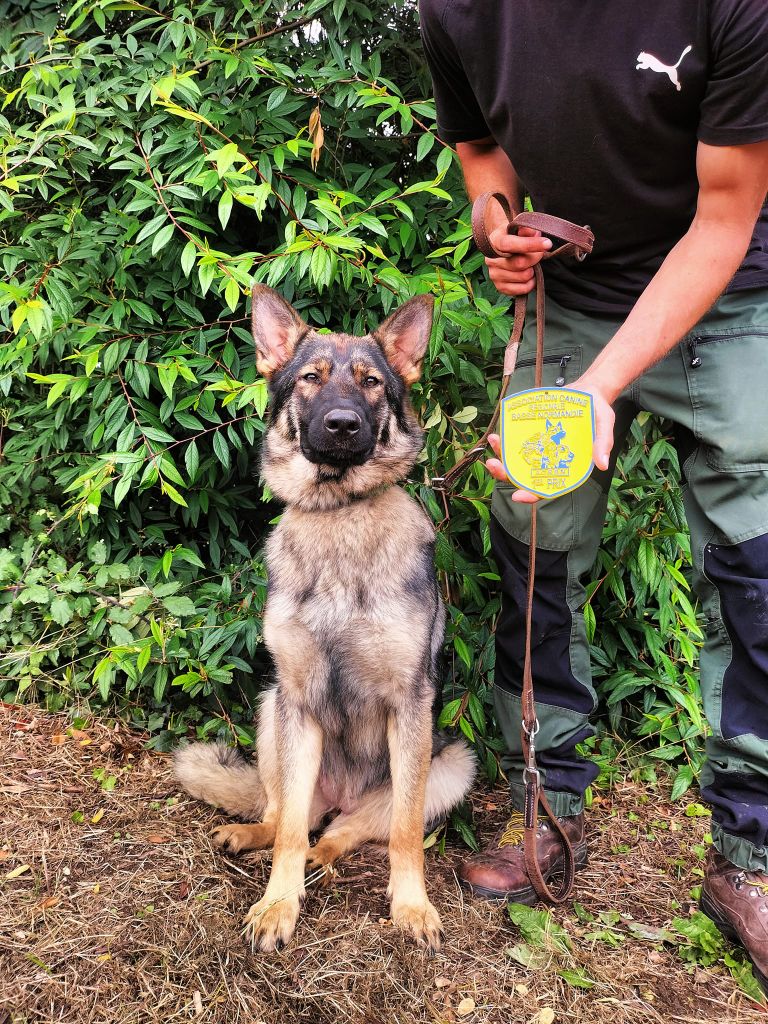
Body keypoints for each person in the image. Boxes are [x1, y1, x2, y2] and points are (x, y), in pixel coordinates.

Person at [418, 0, 768, 993]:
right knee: (536, 541)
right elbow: (481, 148)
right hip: (571, 297)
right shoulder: (456, 11)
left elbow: (725, 218)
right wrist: (502, 226)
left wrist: (596, 390)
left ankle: (753, 852)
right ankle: (545, 804)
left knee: (757, 568)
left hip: (734, 291)